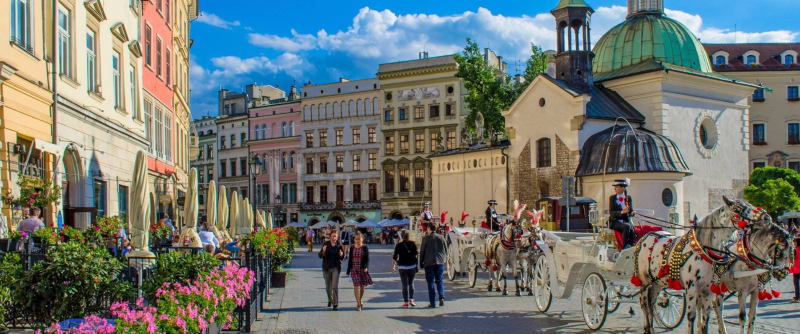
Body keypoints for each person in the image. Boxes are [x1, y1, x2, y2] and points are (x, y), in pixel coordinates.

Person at [419, 222, 447, 308]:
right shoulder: (441, 237)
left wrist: (421, 263)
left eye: (427, 228)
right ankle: (441, 297)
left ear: (429, 229)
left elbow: (422, 251)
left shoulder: (426, 238)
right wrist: (444, 259)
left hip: (429, 262)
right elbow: (446, 249)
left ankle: (433, 302)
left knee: (430, 283)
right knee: (439, 281)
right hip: (440, 262)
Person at [319, 231, 344, 310]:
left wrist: (342, 255)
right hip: (327, 268)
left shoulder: (339, 245)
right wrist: (323, 251)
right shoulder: (326, 244)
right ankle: (330, 299)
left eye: (335, 237)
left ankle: (335, 303)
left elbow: (343, 256)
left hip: (335, 267)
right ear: (330, 237)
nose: (334, 238)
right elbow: (320, 255)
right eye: (333, 236)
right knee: (328, 287)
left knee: (334, 286)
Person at [346, 232, 372, 311]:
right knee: (356, 285)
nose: (358, 240)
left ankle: (360, 299)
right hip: (354, 269)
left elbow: (367, 259)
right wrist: (349, 269)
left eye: (359, 239)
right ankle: (358, 304)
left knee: (362, 286)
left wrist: (367, 267)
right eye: (356, 239)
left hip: (362, 269)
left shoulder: (365, 248)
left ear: (362, 239)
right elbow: (350, 259)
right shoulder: (352, 248)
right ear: (354, 240)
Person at [609, 179, 637, 249]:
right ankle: (624, 247)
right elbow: (612, 213)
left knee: (631, 228)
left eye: (617, 187)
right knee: (626, 227)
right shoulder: (612, 198)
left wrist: (632, 213)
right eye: (614, 187)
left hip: (625, 220)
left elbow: (630, 210)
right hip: (615, 221)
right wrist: (621, 212)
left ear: (623, 188)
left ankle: (631, 245)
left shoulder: (628, 198)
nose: (615, 189)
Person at [393, 230, 418, 308]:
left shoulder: (399, 245)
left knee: (404, 284)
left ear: (401, 236)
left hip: (402, 267)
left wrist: (393, 265)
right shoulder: (413, 244)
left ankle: (406, 302)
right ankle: (411, 299)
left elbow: (395, 256)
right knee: (411, 283)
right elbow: (415, 254)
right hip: (412, 266)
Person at [790, 237, 800, 303]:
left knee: (796, 283)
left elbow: (792, 259)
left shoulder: (795, 250)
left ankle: (797, 297)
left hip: (797, 268)